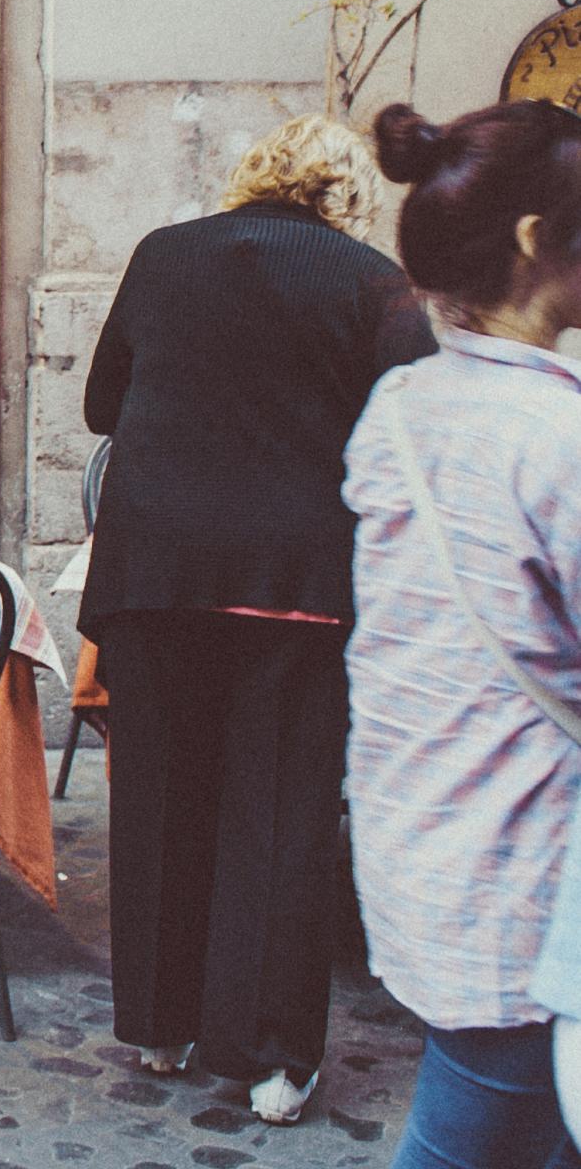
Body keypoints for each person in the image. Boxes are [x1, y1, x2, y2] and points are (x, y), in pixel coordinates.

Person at [80, 113, 433, 1125]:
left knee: (159, 795)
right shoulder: (373, 283)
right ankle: (275, 1055)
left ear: (253, 176)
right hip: (294, 581)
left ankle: (160, 1022)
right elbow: (400, 432)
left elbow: (106, 403)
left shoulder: (161, 254)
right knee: (279, 813)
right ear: (348, 193)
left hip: (155, 572)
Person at [346, 99, 581, 1168]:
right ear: (536, 240)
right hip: (526, 871)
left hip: (425, 830)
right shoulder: (553, 434)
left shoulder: (403, 403)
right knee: (475, 1128)